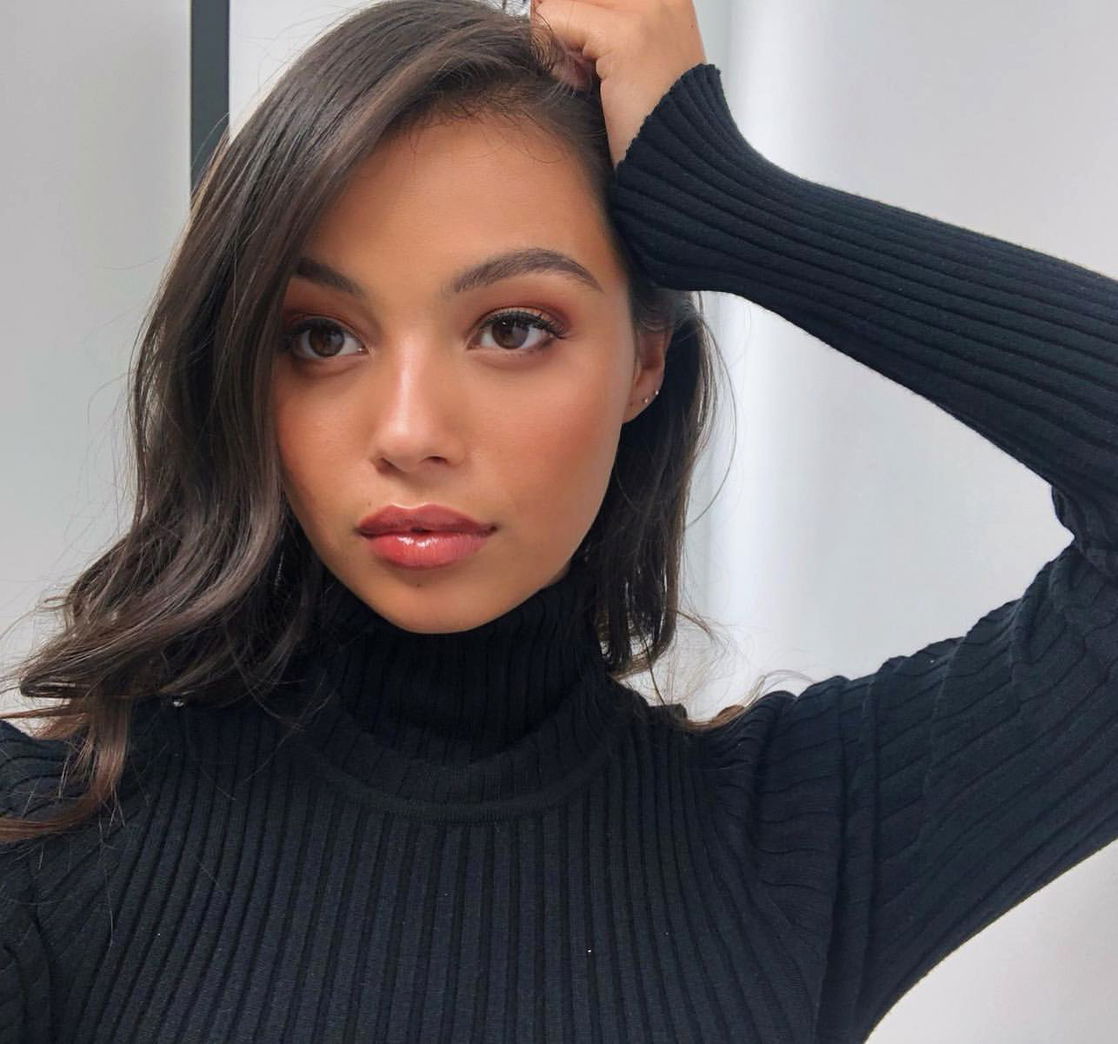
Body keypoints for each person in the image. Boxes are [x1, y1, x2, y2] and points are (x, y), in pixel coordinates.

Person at [2, 0, 1116, 1040]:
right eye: (323, 338)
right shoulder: (47, 845)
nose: (410, 431)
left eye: (514, 328)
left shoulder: (806, 840)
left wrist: (736, 209)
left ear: (643, 362)